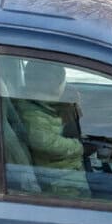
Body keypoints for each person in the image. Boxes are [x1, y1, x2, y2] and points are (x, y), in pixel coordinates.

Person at [16, 60, 91, 197]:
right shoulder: (32, 113)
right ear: (55, 85)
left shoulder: (40, 104)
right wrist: (77, 147)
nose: (66, 85)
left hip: (63, 170)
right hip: (58, 180)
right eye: (64, 82)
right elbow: (45, 141)